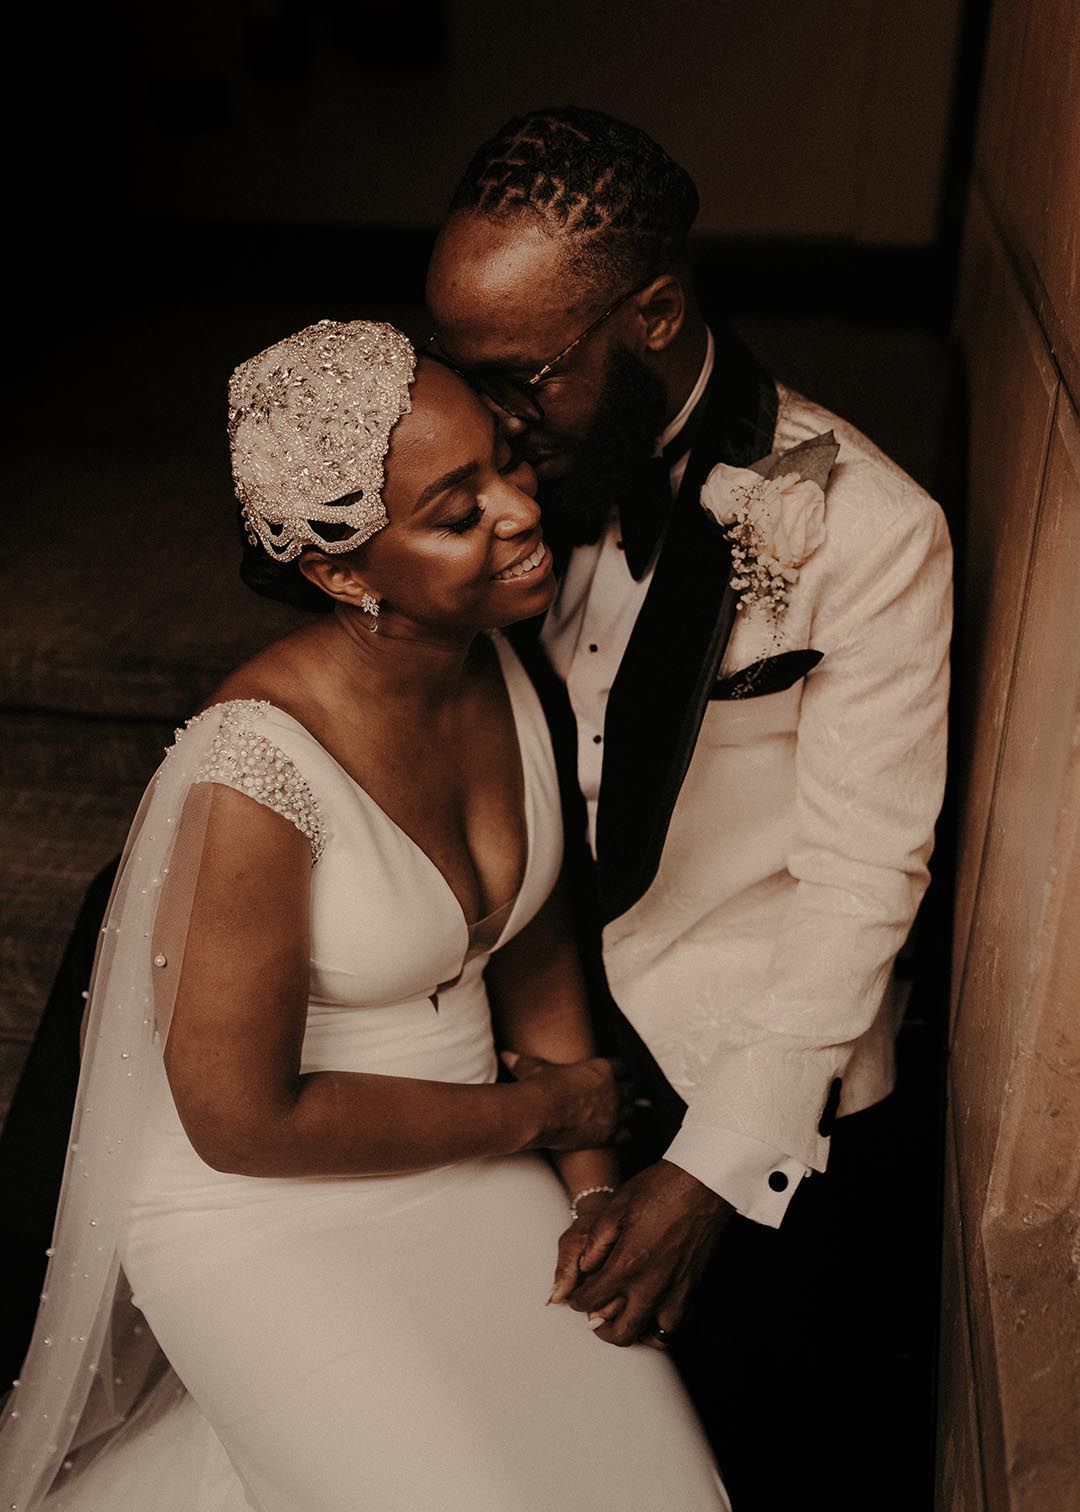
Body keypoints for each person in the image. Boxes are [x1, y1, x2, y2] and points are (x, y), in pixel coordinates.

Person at [0, 320, 730, 1511]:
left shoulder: (501, 659)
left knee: (655, 1485)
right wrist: (546, 1112)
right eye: (457, 512)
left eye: (507, 459)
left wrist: (593, 1193)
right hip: (259, 1209)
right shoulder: (253, 773)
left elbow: (536, 953)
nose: (520, 510)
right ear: (345, 575)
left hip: (484, 1156)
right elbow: (243, 1125)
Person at [426, 106, 953, 1509]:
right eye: (466, 371)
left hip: (738, 1067)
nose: (492, 416)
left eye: (522, 375)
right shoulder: (504, 482)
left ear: (654, 314)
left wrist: (709, 1173)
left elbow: (862, 885)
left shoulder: (868, 528)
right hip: (527, 1024)